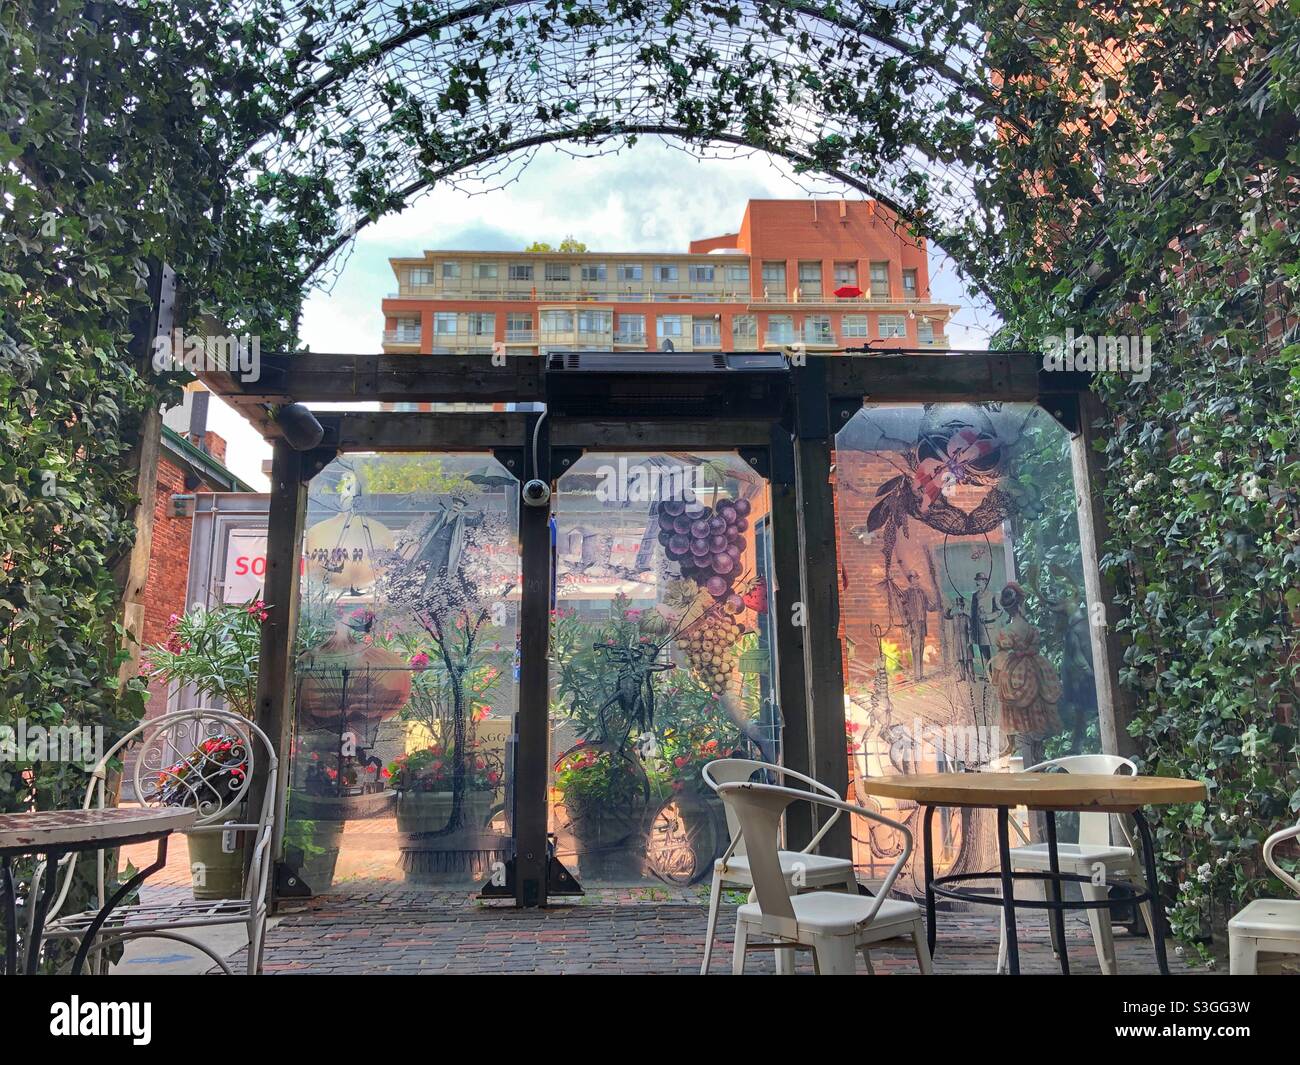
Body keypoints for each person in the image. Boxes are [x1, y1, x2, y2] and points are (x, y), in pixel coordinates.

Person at [988, 582, 1064, 767]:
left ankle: (1017, 746)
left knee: (1014, 706)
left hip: (1015, 672)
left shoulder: (1005, 632)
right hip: (1034, 670)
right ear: (1021, 603)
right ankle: (1034, 751)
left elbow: (1002, 656)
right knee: (1034, 708)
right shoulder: (1031, 630)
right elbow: (1034, 646)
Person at [896, 570, 936, 682]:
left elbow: (928, 607)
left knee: (921, 649)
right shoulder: (906, 594)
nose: (916, 580)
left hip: (922, 624)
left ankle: (920, 675)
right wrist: (909, 626)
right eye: (914, 578)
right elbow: (904, 612)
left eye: (917, 578)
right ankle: (917, 677)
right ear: (910, 580)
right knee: (915, 649)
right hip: (913, 625)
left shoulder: (922, 593)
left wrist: (938, 604)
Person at [969, 572, 1000, 678]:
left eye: (980, 580)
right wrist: (971, 627)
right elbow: (972, 614)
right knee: (983, 652)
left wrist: (987, 616)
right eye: (977, 580)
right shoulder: (974, 596)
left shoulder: (992, 595)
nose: (977, 583)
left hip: (989, 628)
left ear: (985, 582)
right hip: (979, 629)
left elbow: (999, 611)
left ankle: (995, 675)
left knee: (992, 652)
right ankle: (988, 674)